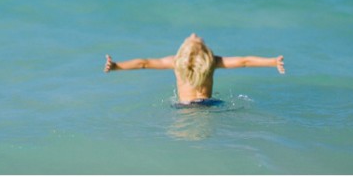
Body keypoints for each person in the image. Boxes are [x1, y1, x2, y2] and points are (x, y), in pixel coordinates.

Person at [104, 33, 285, 105]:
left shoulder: (176, 62)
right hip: (210, 104)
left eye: (194, 38)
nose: (193, 34)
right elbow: (245, 61)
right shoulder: (212, 62)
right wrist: (272, 62)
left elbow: (143, 63)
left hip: (183, 107)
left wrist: (116, 67)